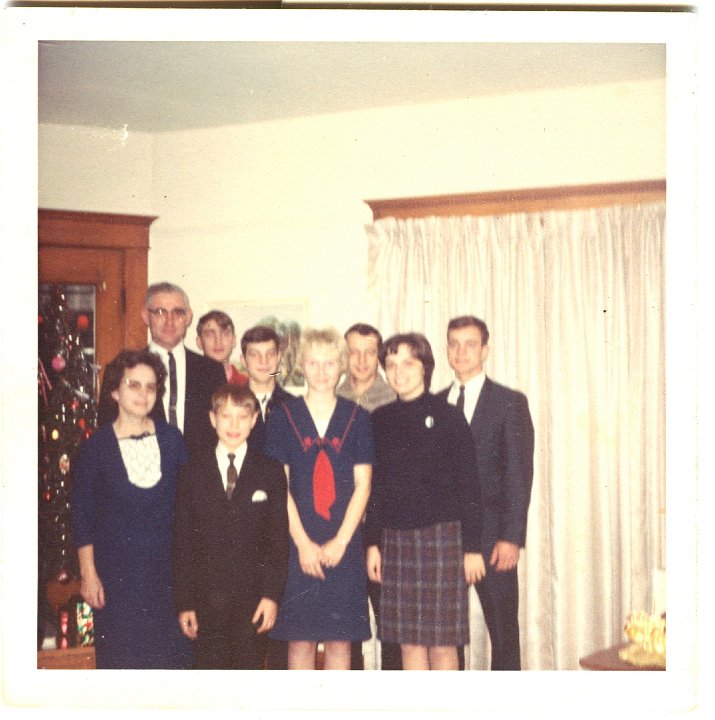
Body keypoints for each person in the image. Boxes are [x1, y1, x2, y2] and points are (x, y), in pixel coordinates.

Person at [365, 333, 485, 670]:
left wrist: (472, 548)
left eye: (407, 363)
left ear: (424, 367)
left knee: (443, 643)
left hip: (442, 540)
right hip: (396, 541)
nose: (398, 372)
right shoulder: (380, 419)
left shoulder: (448, 416)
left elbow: (469, 487)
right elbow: (376, 489)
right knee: (410, 643)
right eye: (390, 364)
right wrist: (373, 543)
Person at [72, 349, 193, 669]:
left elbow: (188, 510)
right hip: (117, 584)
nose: (143, 394)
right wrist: (89, 574)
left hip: (167, 581)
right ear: (115, 390)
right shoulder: (94, 448)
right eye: (134, 385)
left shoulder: (172, 441)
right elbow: (82, 516)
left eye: (150, 387)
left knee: (171, 670)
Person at [265, 328, 373, 669]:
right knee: (301, 641)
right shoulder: (282, 416)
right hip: (299, 543)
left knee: (340, 641)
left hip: (344, 543)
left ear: (341, 366)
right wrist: (303, 544)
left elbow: (363, 486)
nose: (322, 371)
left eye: (330, 363)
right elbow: (278, 486)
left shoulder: (358, 418)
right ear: (300, 366)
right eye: (313, 362)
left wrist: (341, 542)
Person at [437, 315, 534, 671]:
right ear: (447, 349)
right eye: (454, 343)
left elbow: (518, 476)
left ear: (485, 350)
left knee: (504, 635)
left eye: (470, 344)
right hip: (444, 541)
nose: (461, 351)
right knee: (445, 638)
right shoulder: (434, 404)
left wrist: (512, 538)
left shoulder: (509, 403)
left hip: (495, 542)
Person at [172, 384, 289, 669]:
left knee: (247, 680)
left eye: (242, 417)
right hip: (205, 602)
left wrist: (271, 596)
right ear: (213, 419)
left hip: (252, 602)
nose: (233, 425)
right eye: (226, 416)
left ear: (253, 421)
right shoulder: (191, 472)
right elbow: (183, 542)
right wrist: (185, 602)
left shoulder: (270, 471)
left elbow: (278, 542)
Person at [97, 282, 226, 457]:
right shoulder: (122, 369)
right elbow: (107, 431)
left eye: (178, 312)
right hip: (142, 474)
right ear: (145, 316)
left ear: (188, 317)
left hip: (198, 479)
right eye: (159, 312)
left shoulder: (212, 371)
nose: (169, 321)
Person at [336, 323, 399, 671]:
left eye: (369, 351)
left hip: (383, 529)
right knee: (349, 622)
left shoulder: (395, 399)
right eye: (353, 351)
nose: (361, 360)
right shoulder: (330, 398)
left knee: (390, 622)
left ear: (379, 355)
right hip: (342, 528)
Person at [240, 325, 291, 455]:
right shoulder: (233, 405)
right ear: (243, 360)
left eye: (270, 354)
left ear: (279, 357)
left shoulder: (294, 406)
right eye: (255, 354)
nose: (264, 361)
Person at [196, 309, 249, 386]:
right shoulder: (187, 383)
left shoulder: (246, 386)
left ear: (233, 340)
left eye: (225, 334)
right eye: (210, 335)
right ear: (199, 342)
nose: (218, 341)